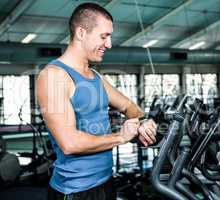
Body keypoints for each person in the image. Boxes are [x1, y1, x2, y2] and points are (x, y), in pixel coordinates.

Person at [36, 3, 157, 200]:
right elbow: (69, 143)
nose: (109, 44)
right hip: (75, 191)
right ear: (81, 33)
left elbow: (130, 107)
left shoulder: (95, 77)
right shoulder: (54, 77)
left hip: (106, 182)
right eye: (104, 36)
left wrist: (143, 122)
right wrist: (121, 137)